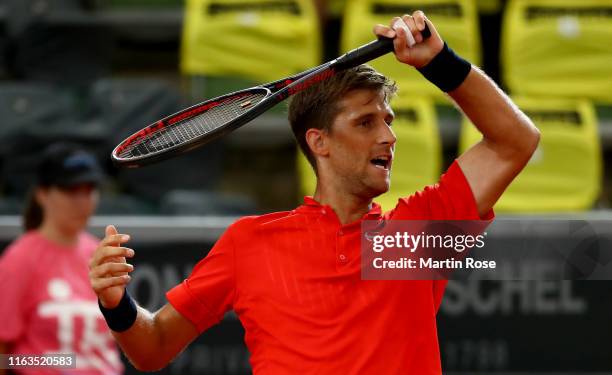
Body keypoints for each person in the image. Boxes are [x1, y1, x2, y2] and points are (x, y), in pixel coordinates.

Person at [88, 12, 540, 374]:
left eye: (389, 121)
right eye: (365, 123)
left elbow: (514, 142)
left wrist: (440, 61)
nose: (388, 137)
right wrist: (117, 303)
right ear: (317, 141)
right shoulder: (249, 243)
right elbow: (153, 348)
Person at [0, 144, 123, 375]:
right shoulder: (19, 259)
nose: (82, 201)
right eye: (71, 190)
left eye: (89, 189)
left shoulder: (101, 253)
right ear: (42, 194)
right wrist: (58, 364)